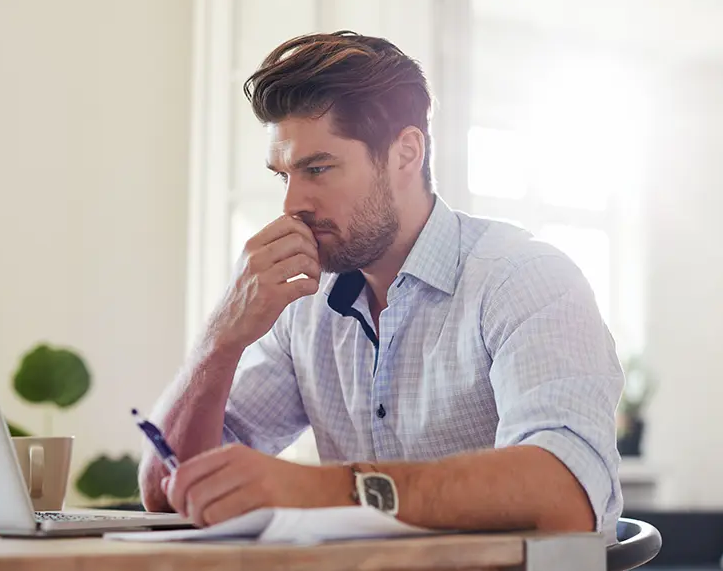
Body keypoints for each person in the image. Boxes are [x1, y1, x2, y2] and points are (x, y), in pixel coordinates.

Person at [139, 30, 624, 535]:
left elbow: (566, 492)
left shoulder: (524, 279)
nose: (291, 205)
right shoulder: (306, 309)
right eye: (284, 176)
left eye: (319, 168)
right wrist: (221, 339)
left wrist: (321, 492)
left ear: (405, 154)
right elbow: (168, 492)